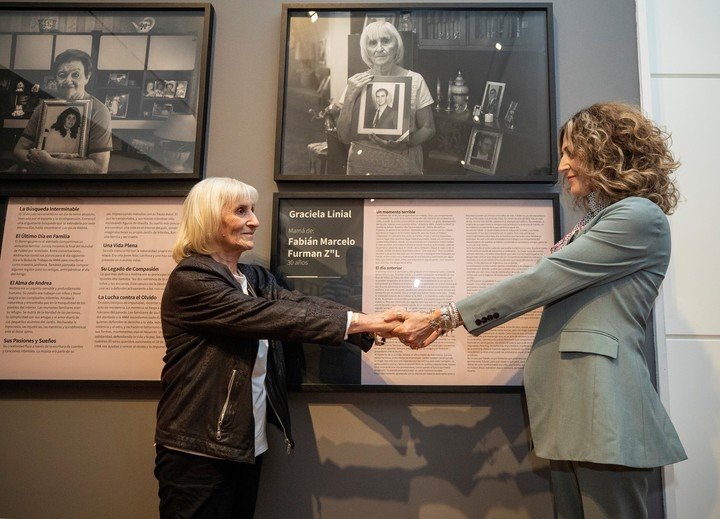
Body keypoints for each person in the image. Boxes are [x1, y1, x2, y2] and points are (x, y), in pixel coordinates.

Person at [393, 102, 687, 518]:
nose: (563, 164)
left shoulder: (639, 217)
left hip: (603, 408)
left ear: (605, 150)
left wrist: (445, 317)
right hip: (576, 407)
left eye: (572, 151)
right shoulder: (604, 218)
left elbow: (545, 279)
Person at [154, 177, 401, 518]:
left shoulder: (251, 278)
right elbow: (272, 316)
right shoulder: (191, 280)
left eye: (252, 210)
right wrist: (367, 323)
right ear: (209, 219)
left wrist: (373, 320)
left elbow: (298, 303)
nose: (254, 221)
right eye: (241, 211)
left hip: (244, 447)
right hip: (198, 453)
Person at [336, 20, 435, 174]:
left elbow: (428, 128)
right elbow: (343, 136)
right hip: (362, 165)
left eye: (386, 41)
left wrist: (404, 145)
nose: (379, 48)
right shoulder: (356, 82)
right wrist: (349, 95)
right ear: (366, 50)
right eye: (372, 43)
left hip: (402, 165)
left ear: (397, 46)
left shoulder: (415, 80)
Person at [13, 49, 111, 173]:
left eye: (75, 75)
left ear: (87, 77)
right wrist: (36, 162)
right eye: (62, 75)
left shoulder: (99, 111)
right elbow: (18, 151)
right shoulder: (44, 108)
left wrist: (49, 163)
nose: (68, 81)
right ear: (56, 79)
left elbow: (99, 168)